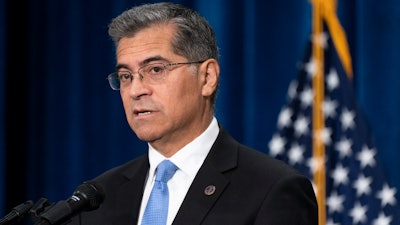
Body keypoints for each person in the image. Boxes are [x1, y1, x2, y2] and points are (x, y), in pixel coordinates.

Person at [67, 2, 318, 225]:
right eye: (125, 76)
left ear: (207, 77)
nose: (136, 90)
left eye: (155, 69)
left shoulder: (271, 190)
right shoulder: (98, 197)